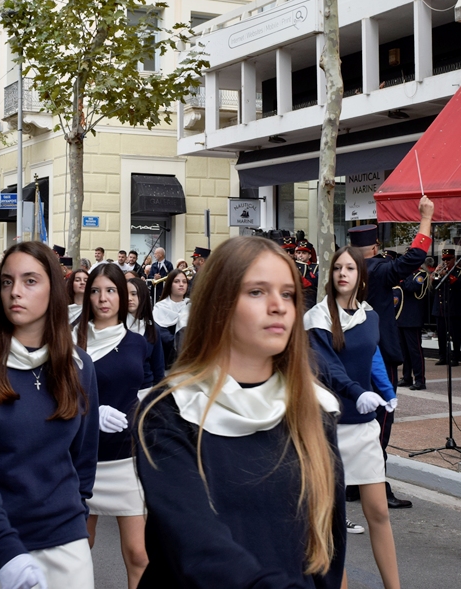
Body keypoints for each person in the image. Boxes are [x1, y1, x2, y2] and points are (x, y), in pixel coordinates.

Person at [135, 236, 346, 587]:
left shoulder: (315, 409)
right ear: (219, 303)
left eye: (288, 294)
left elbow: (327, 544)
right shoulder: (169, 411)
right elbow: (196, 545)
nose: (278, 306)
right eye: (257, 292)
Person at [0, 242, 98, 589]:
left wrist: (77, 517)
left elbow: (84, 457)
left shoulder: (80, 365)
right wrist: (3, 544)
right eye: (8, 281)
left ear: (53, 289)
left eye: (30, 281)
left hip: (63, 540)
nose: (15, 292)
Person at [306, 245, 400, 589]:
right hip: (326, 429)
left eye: (350, 268)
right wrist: (357, 393)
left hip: (363, 429)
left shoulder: (370, 316)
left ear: (361, 277)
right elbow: (328, 367)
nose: (342, 274)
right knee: (331, 523)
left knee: (379, 512)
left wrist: (388, 393)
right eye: (337, 269)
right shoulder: (316, 318)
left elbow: (372, 357)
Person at [349, 195, 434, 509]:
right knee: (381, 423)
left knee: (358, 420)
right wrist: (425, 219)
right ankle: (378, 488)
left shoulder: (344, 272)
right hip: (379, 356)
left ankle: (354, 485)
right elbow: (414, 258)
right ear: (373, 248)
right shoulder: (380, 269)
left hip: (350, 355)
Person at [75, 263, 154, 589]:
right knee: (80, 548)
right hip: (82, 459)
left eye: (110, 291)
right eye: (95, 290)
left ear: (122, 296)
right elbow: (55, 396)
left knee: (139, 554)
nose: (102, 298)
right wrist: (92, 410)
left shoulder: (138, 342)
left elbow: (150, 388)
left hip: (127, 458)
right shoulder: (70, 340)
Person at [397, 259, 431, 390]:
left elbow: (412, 287)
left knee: (415, 351)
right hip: (402, 317)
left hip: (413, 319)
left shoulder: (421, 274)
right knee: (405, 352)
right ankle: (406, 377)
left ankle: (420, 379)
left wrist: (402, 279)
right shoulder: (407, 274)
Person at [433, 248, 461, 367]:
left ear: (454, 259)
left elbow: (459, 284)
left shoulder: (459, 272)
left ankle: (455, 357)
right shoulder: (440, 270)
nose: (446, 262)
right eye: (444, 260)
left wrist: (448, 275)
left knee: (455, 336)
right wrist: (435, 273)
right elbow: (433, 285)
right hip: (441, 309)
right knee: (441, 335)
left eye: (448, 259)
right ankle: (443, 356)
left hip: (454, 309)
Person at [127, 277, 165, 382]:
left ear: (143, 296)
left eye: (134, 294)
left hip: (146, 388)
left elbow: (158, 366)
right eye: (126, 294)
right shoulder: (117, 326)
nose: (129, 298)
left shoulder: (151, 328)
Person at [152, 269, 189, 370]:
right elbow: (159, 333)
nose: (181, 285)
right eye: (176, 282)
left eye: (184, 282)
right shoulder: (160, 307)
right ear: (169, 284)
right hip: (166, 358)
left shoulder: (191, 306)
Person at [294, 241, 320, 310]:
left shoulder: (315, 268)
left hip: (309, 302)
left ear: (309, 256)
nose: (300, 255)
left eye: (304, 253)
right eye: (299, 253)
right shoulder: (292, 265)